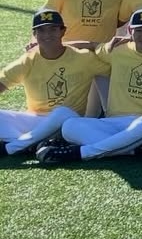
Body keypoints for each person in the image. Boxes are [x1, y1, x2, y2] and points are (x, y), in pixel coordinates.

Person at [36, 9, 142, 164]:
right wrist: (41, 47)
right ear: (130, 31)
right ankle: (133, 150)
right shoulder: (116, 51)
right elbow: (91, 45)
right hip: (113, 123)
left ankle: (79, 153)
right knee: (70, 126)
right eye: (139, 31)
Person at [0, 10, 106, 156]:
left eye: (53, 29)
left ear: (63, 32)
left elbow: (118, 66)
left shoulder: (84, 58)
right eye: (41, 30)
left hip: (67, 124)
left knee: (63, 111)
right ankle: (30, 143)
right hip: (35, 122)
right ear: (35, 34)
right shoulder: (28, 60)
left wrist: (92, 44)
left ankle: (13, 147)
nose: (47, 35)